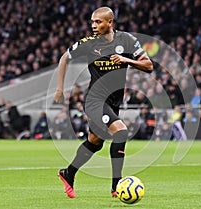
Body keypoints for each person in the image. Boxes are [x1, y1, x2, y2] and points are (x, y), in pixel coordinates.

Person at [53, 7, 153, 199]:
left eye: (98, 22)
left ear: (110, 22)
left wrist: (126, 59)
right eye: (92, 22)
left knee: (95, 142)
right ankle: (117, 186)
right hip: (95, 101)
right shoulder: (89, 44)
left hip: (114, 102)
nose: (94, 26)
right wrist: (60, 88)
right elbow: (64, 58)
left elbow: (148, 65)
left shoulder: (127, 41)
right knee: (121, 131)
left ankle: (68, 173)